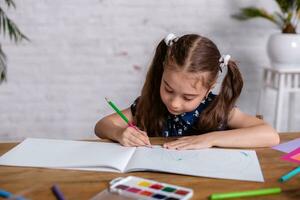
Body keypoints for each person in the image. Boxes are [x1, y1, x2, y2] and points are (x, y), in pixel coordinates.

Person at [95, 33, 280, 150]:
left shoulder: (216, 110)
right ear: (162, 73)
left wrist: (210, 139)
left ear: (210, 87)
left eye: (188, 97)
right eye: (168, 89)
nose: (174, 103)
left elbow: (270, 135)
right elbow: (102, 125)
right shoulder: (149, 105)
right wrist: (119, 133)